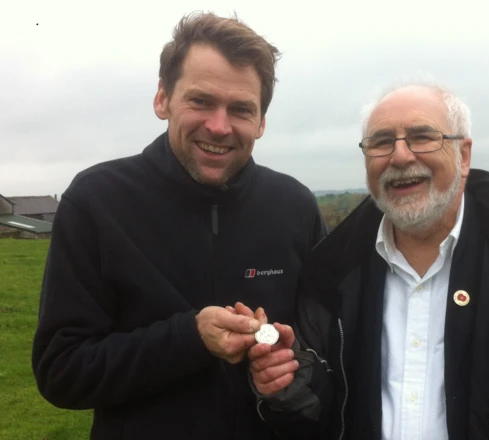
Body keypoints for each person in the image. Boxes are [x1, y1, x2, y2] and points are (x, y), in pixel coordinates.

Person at [247, 78, 489, 439]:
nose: (400, 155)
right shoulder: (331, 269)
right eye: (382, 141)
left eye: (422, 136)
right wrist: (292, 382)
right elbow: (321, 408)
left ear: (463, 154)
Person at [31, 12, 325, 440]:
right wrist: (189, 339)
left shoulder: (294, 205)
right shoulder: (96, 201)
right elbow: (62, 372)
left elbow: (328, 352)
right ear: (162, 99)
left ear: (261, 122)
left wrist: (290, 363)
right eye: (201, 101)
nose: (219, 126)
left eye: (241, 109)